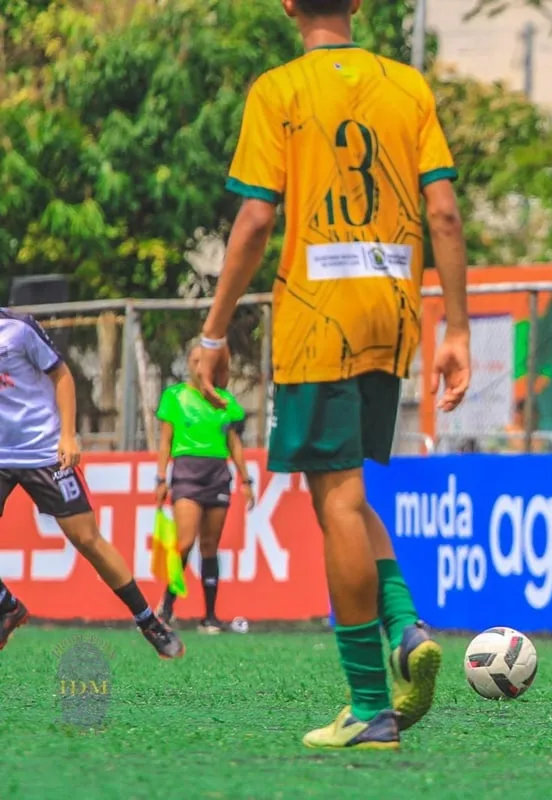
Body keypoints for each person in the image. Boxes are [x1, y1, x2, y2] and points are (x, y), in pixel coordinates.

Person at [195, 0, 471, 749]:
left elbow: (254, 221)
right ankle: (406, 626)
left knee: (337, 501)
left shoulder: (278, 89)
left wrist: (213, 331)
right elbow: (442, 214)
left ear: (289, 6)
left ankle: (369, 706)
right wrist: (458, 328)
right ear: (356, 5)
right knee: (348, 491)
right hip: (393, 309)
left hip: (320, 313)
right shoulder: (408, 86)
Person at [0, 310, 183, 659]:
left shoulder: (18, 328)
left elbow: (62, 375)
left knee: (87, 538)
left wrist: (67, 436)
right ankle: (7, 605)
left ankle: (149, 621)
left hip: (43, 450)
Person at [154, 344, 256, 633]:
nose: (200, 366)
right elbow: (165, 441)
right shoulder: (175, 397)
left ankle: (209, 616)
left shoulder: (225, 401)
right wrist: (161, 478)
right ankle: (166, 607)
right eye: (195, 360)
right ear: (189, 363)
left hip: (218, 474)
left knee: (210, 545)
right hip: (187, 472)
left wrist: (246, 480)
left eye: (205, 361)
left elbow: (234, 442)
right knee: (184, 542)